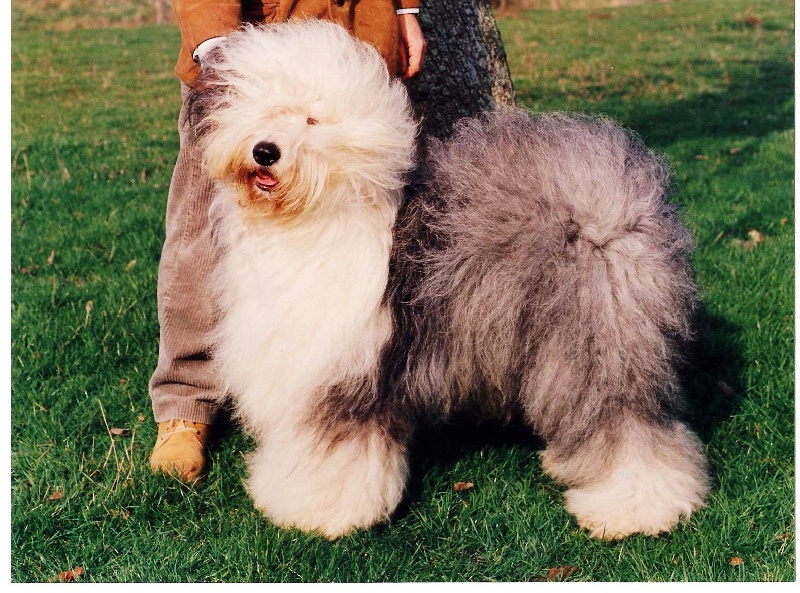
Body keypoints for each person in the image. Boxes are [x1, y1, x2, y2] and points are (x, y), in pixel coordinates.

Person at [149, 0, 426, 482]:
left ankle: (332, 404)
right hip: (254, 52)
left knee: (357, 256)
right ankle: (186, 404)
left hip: (356, 50)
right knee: (202, 231)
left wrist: (404, 9)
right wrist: (217, 49)